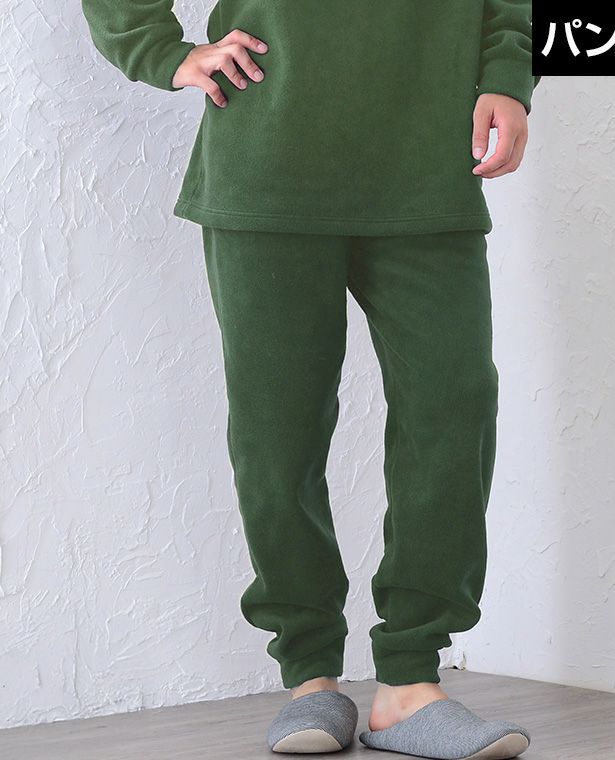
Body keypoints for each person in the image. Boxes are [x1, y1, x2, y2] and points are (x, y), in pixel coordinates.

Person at [80, 2, 541, 758]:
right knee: (278, 433)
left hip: (429, 163)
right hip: (268, 162)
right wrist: (160, 50)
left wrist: (507, 75)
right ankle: (309, 675)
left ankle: (409, 681)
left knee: (453, 408)